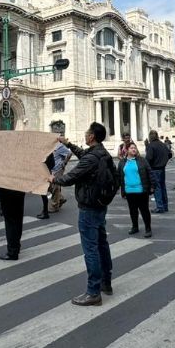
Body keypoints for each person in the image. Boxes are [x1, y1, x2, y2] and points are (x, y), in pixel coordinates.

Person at [50, 122, 115, 307]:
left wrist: (54, 178)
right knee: (102, 244)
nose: (85, 136)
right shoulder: (102, 153)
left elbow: (71, 177)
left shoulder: (92, 158)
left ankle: (93, 292)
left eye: (87, 133)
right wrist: (67, 143)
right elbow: (83, 155)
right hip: (101, 205)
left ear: (91, 137)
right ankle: (106, 283)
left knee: (91, 250)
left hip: (89, 207)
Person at [119, 144, 154, 238]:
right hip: (129, 190)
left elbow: (149, 172)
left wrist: (152, 186)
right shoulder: (122, 162)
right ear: (126, 150)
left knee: (144, 210)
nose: (134, 149)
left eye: (135, 148)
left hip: (141, 190)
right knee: (133, 210)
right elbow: (120, 178)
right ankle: (135, 227)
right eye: (131, 148)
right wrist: (122, 191)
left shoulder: (142, 160)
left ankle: (148, 229)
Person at [0, 186, 26, 260]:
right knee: (17, 219)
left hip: (7, 190)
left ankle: (12, 251)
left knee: (10, 221)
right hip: (19, 189)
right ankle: (16, 247)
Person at [146, 130, 171, 213]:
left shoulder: (151, 146)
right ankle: (165, 205)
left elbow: (149, 158)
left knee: (157, 187)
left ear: (150, 137)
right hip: (162, 168)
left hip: (155, 169)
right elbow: (170, 154)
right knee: (162, 186)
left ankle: (160, 206)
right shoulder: (162, 144)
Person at [48, 141, 72, 213]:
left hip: (58, 169)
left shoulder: (59, 146)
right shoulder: (50, 145)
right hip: (51, 169)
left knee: (55, 186)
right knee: (48, 186)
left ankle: (55, 206)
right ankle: (60, 198)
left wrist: (64, 162)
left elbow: (69, 153)